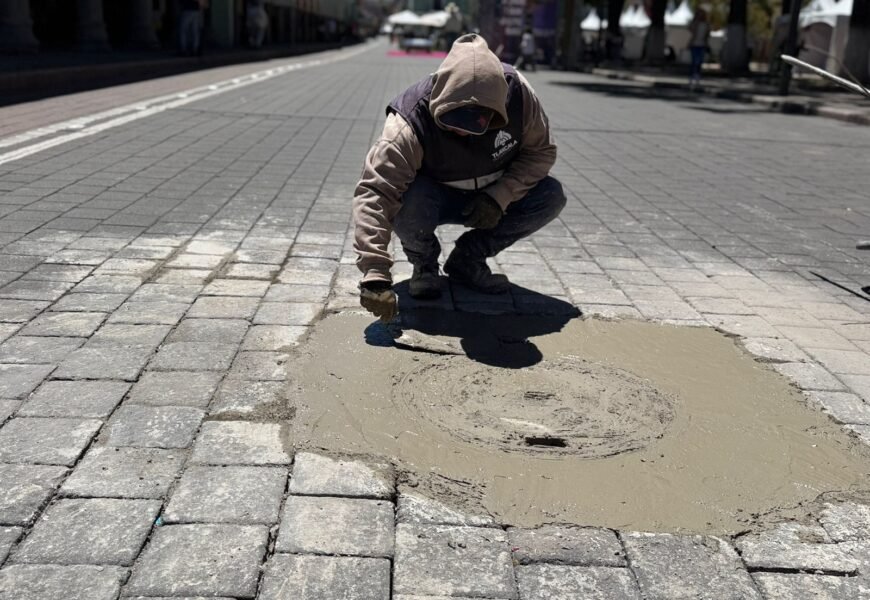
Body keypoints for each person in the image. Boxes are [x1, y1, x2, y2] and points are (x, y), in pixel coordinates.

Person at [353, 34, 565, 322]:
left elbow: (540, 153)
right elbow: (376, 192)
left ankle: (468, 259)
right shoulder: (408, 123)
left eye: (478, 123)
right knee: (406, 198)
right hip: (432, 197)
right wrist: (375, 272)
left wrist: (499, 196)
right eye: (453, 121)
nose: (464, 132)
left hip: (490, 195)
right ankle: (424, 264)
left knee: (550, 197)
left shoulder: (519, 97)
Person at [687, 8, 710, 87]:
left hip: (702, 44)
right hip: (694, 44)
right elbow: (690, 29)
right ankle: (692, 76)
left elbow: (707, 34)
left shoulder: (706, 24)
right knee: (694, 61)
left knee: (699, 61)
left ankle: (697, 76)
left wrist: (707, 44)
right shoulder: (695, 23)